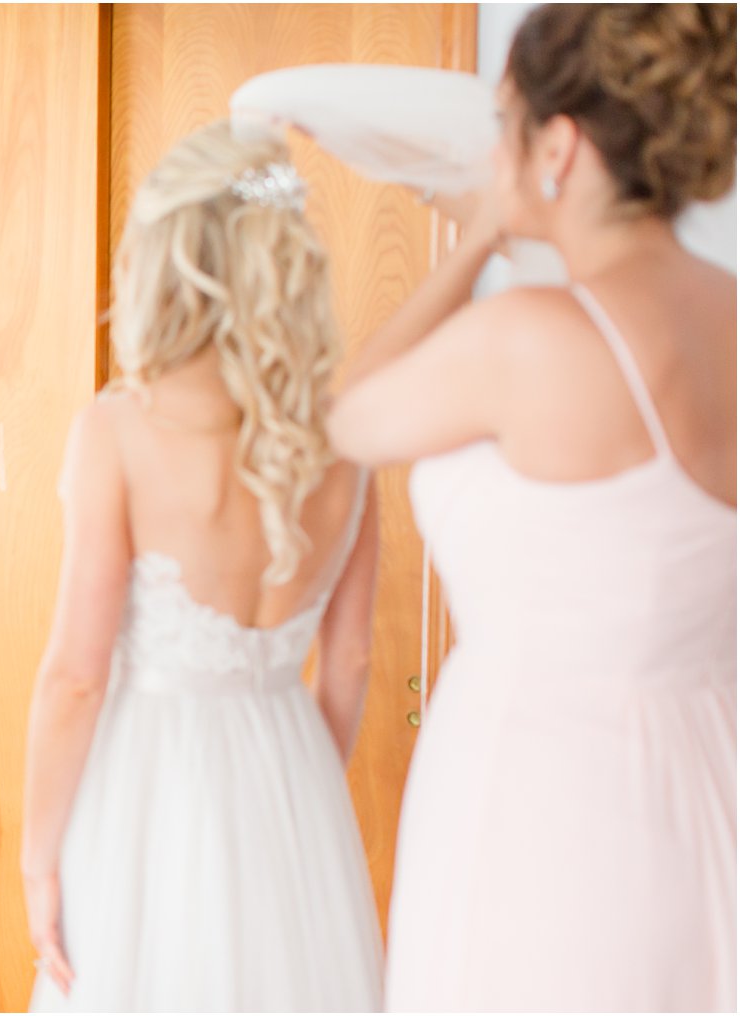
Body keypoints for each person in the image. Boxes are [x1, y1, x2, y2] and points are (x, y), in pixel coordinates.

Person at [328, 5, 737, 1009]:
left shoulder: (528, 337)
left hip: (538, 800)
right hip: (702, 779)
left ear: (555, 147)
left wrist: (472, 240)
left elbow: (344, 418)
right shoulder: (727, 317)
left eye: (502, 123)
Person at [20, 122, 383, 1011]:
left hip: (152, 787)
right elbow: (350, 665)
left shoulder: (120, 429)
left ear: (170, 257)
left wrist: (37, 856)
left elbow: (75, 676)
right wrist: (294, 785)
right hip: (292, 777)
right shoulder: (343, 439)